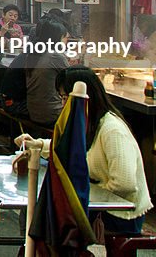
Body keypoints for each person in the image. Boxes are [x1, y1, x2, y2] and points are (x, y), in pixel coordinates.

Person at [16, 67, 153, 235]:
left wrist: (84, 193)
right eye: (61, 98)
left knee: (47, 213)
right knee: (40, 207)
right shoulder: (87, 123)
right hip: (99, 204)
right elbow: (70, 148)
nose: (63, 105)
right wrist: (36, 144)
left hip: (120, 214)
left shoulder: (112, 130)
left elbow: (125, 184)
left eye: (65, 98)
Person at [25, 16, 72, 127]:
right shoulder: (56, 56)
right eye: (64, 37)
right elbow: (73, 80)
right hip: (52, 114)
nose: (67, 40)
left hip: (35, 111)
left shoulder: (34, 53)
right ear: (56, 39)